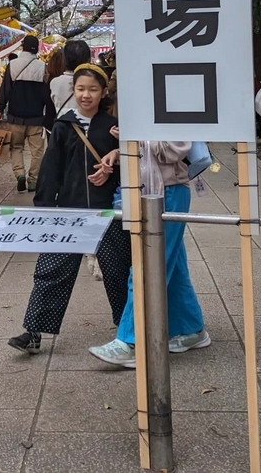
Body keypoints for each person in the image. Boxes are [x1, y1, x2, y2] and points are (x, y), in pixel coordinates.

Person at [8, 63, 130, 355]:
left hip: (107, 212)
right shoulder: (63, 126)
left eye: (93, 90)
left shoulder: (113, 127)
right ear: (73, 91)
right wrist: (45, 210)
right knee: (51, 270)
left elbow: (131, 167)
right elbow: (51, 172)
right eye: (80, 89)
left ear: (103, 93)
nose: (86, 95)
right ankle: (33, 332)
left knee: (118, 272)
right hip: (69, 213)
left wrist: (113, 163)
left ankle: (128, 329)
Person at [89, 140, 209, 367]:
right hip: (152, 189)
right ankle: (191, 327)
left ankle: (131, 341)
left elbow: (176, 149)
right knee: (172, 264)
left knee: (149, 265)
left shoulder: (170, 105)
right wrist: (120, 148)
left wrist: (136, 138)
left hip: (168, 190)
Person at [0, 35, 50, 192]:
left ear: (23, 47)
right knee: (37, 152)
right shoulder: (43, 67)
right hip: (36, 118)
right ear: (37, 48)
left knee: (16, 147)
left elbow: (5, 89)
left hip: (16, 117)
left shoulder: (13, 65)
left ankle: (19, 174)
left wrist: (1, 108)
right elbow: (47, 94)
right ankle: (33, 180)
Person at [46, 39, 91, 131]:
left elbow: (49, 113)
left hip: (62, 130)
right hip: (88, 130)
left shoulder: (55, 82)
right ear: (88, 59)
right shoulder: (94, 82)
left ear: (65, 60)